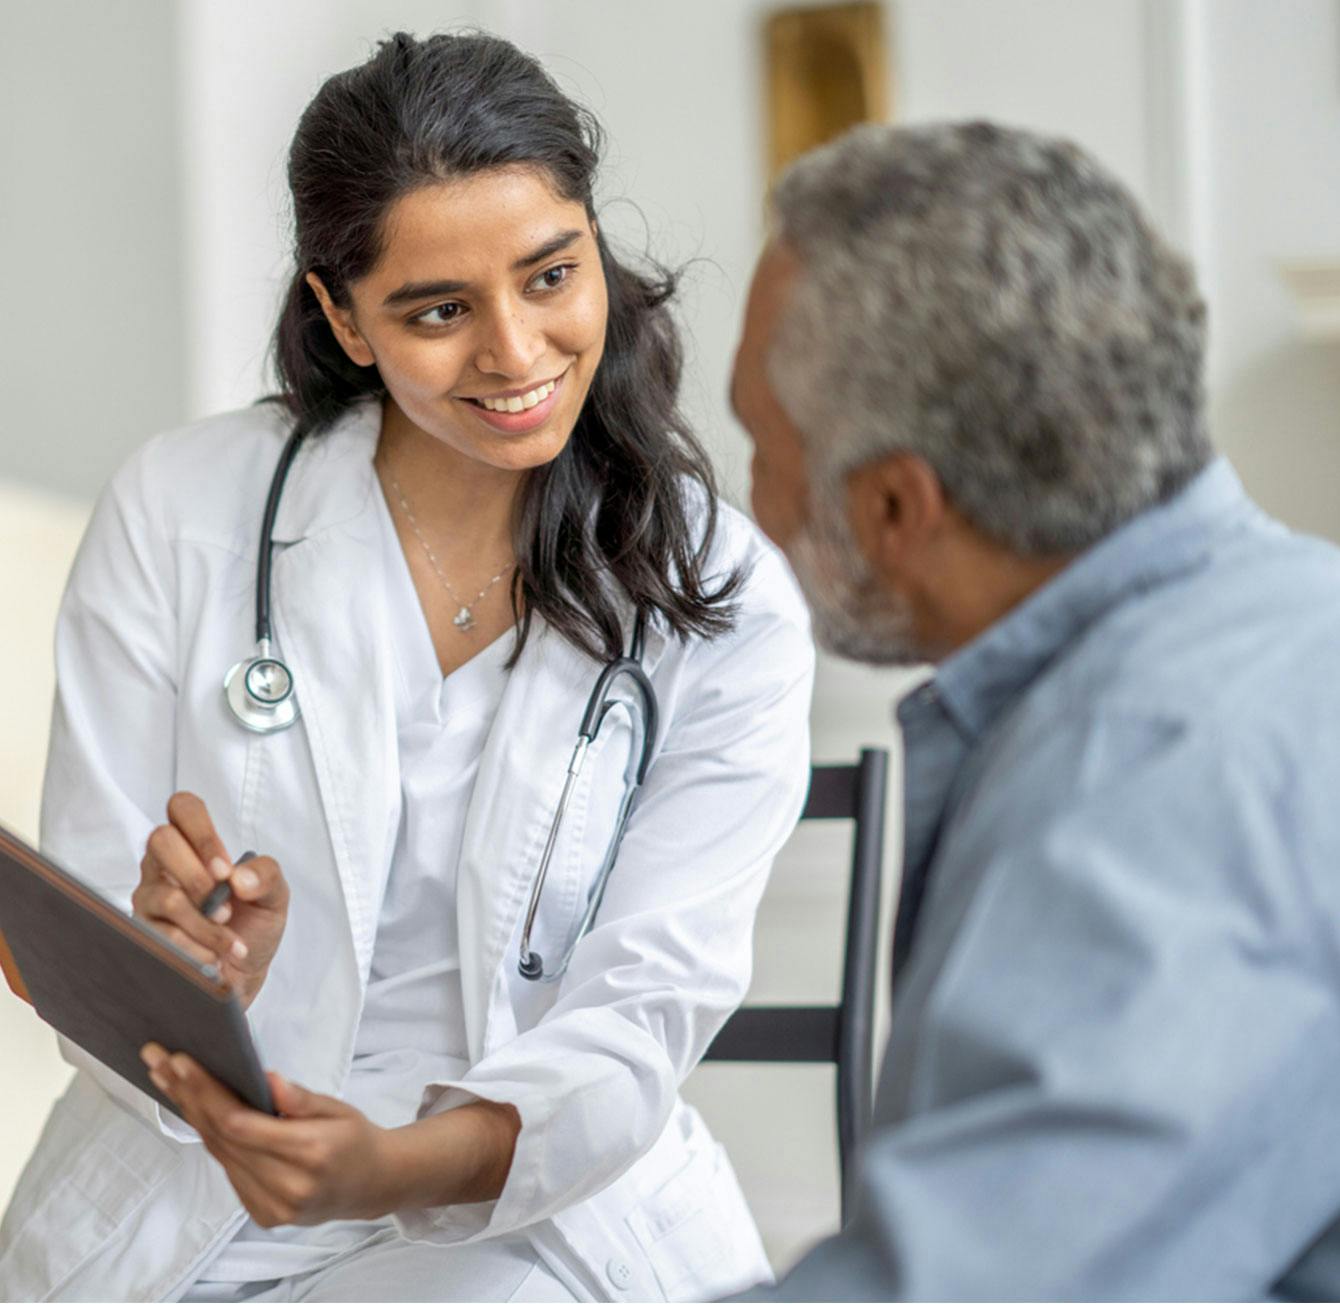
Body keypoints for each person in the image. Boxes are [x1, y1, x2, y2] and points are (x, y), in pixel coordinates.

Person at [0, 32, 814, 1304]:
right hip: (193, 1196)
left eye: (551, 274)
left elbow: (639, 1015)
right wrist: (182, 969)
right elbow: (84, 928)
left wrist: (386, 1166)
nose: (514, 351)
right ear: (341, 318)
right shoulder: (181, 508)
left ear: (593, 243)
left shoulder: (725, 598)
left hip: (521, 1208)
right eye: (437, 310)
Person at [729, 119, 1340, 1300]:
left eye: (763, 445)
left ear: (896, 506)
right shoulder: (1300, 608)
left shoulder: (1145, 772)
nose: (747, 503)